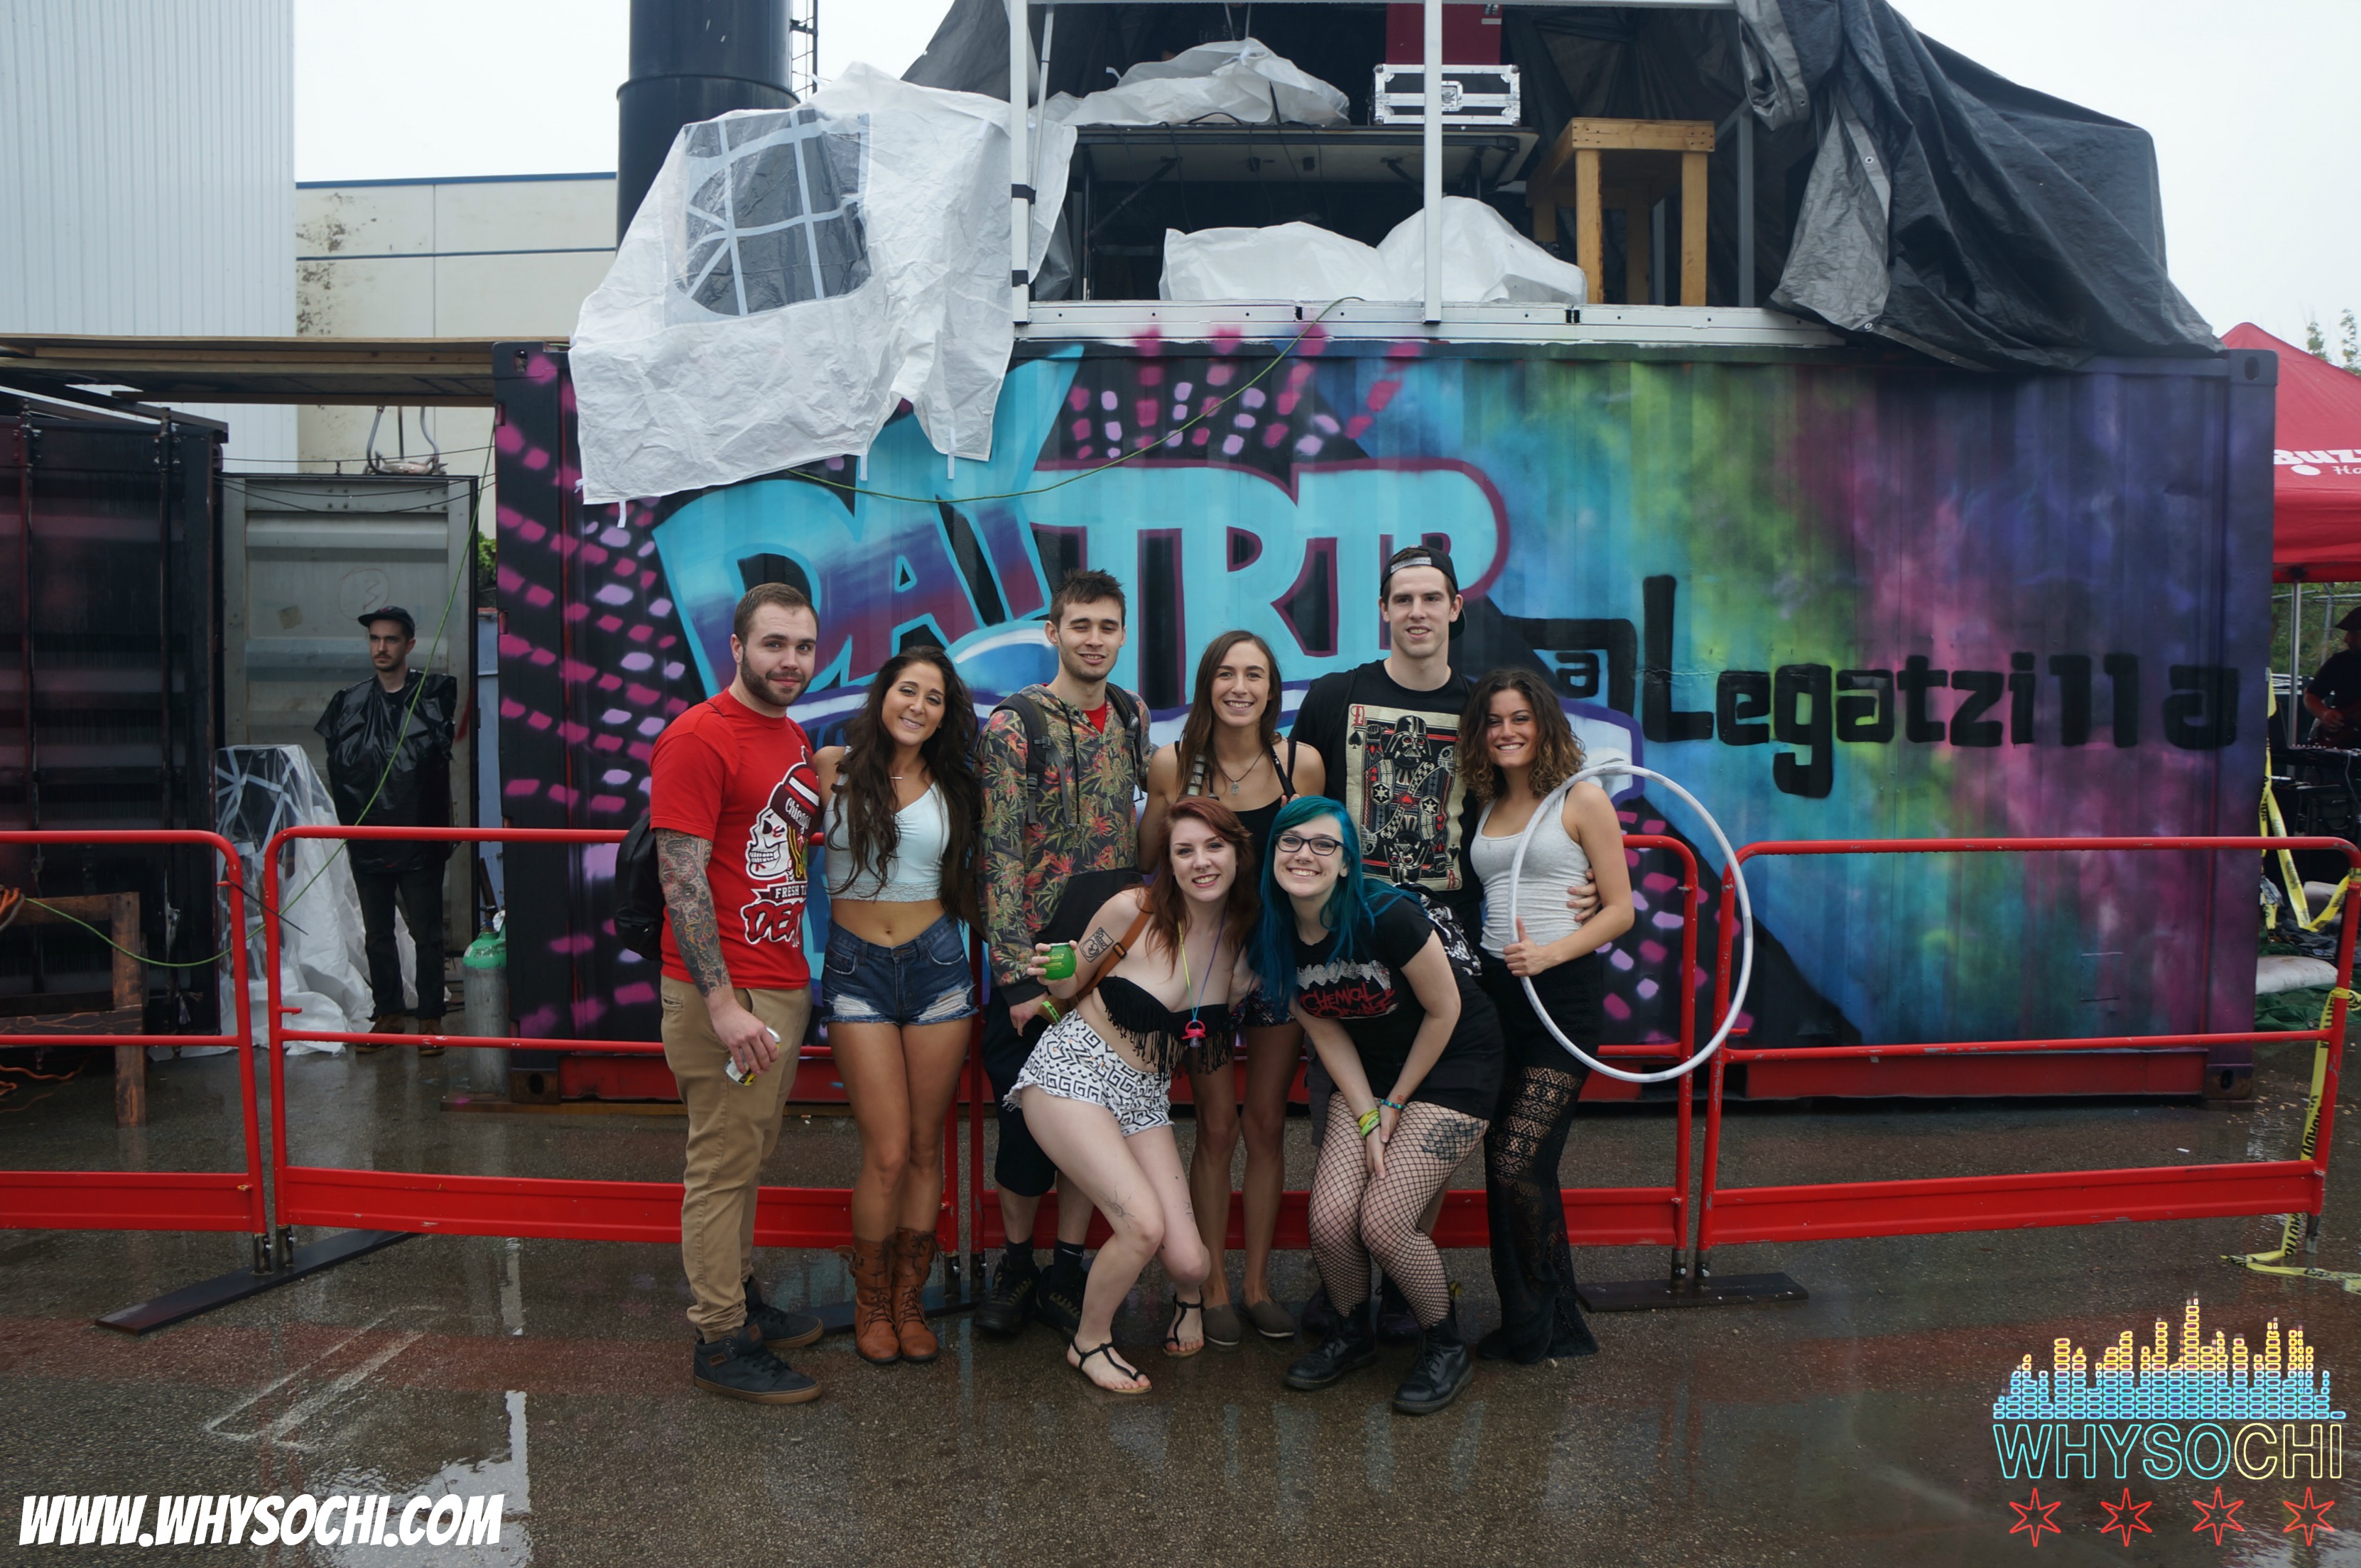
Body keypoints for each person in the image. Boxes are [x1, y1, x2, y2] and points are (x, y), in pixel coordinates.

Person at [1288, 545, 1596, 1336]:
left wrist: (1586, 880)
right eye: (1404, 599)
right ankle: (1344, 1283)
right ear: (1383, 611)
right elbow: (1299, 815)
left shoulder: (1481, 708)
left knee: (1419, 1128)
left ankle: (1402, 1287)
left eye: (1433, 598)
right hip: (1349, 954)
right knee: (1341, 1117)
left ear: (1456, 608)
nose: (1418, 612)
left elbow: (1529, 815)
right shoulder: (1335, 696)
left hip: (1445, 955)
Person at [1254, 797, 1503, 1416]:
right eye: (1291, 841)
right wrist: (1369, 1113)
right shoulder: (1272, 930)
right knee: (1330, 1219)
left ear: (1346, 864)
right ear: (1273, 853)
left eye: (1324, 844)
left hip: (1455, 1063)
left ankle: (1445, 1346)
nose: (1305, 855)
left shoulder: (1387, 914)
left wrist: (1395, 1104)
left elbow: (1446, 1010)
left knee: (1385, 1223)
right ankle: (1351, 1335)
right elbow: (1324, 1029)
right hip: (1370, 1069)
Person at [1010, 797, 1261, 1391]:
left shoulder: (1242, 943)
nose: (1201, 862)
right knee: (1142, 1227)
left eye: (1214, 847)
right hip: (1072, 1073)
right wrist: (1054, 971)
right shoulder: (1134, 909)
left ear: (1237, 854)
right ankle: (1090, 1342)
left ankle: (1188, 1300)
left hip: (1144, 1097)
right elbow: (1072, 980)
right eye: (1184, 851)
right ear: (1168, 862)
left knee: (1192, 1263)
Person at [650, 582, 828, 1404]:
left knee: (747, 1154)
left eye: (803, 646)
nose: (790, 661)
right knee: (722, 1163)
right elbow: (681, 879)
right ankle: (721, 1339)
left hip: (778, 979)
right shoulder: (699, 736)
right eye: (773, 644)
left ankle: (739, 1297)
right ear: (737, 647)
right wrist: (722, 1006)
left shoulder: (790, 733)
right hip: (727, 994)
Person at [976, 569, 1154, 1337]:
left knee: (1096, 1112)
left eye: (1108, 626)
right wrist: (1017, 979)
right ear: (1053, 632)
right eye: (1080, 625)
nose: (1094, 639)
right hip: (1039, 957)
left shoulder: (1133, 715)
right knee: (1024, 1123)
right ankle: (1017, 1263)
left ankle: (1068, 1266)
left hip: (1110, 958)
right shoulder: (1013, 725)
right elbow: (996, 857)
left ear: (1123, 635)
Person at [1140, 630, 1325, 1346]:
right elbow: (1149, 856)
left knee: (1267, 1123)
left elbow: (1317, 857)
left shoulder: (1299, 763)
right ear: (1207, 684)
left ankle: (1257, 1287)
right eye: (1226, 673)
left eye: (1254, 674)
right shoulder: (1174, 761)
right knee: (1216, 1125)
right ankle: (1210, 1285)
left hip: (1276, 960)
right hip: (1205, 965)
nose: (1240, 687)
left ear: (1272, 688)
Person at [1460, 668, 1634, 1363]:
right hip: (1496, 999)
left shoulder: (1582, 798)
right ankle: (1545, 1320)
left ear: (1545, 725)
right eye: (1494, 720)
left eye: (1520, 718)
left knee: (1516, 1159)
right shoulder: (1484, 802)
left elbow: (1620, 909)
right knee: (1512, 1163)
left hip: (1560, 1000)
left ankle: (1536, 1326)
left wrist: (1551, 954)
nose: (1507, 731)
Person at [813, 650, 982, 1367]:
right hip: (857, 971)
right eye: (907, 690)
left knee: (922, 1146)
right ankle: (871, 1301)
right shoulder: (832, 768)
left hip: (938, 967)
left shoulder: (957, 785)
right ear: (883, 695)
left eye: (933, 698)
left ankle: (911, 1301)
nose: (918, 706)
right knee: (884, 1152)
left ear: (945, 714)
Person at [315, 606, 460, 1053]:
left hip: (419, 837)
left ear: (409, 645)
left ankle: (430, 1018)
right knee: (376, 934)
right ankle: (389, 1014)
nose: (381, 647)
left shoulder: (432, 695)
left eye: (391, 639)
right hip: (368, 837)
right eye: (375, 639)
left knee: (427, 933)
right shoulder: (349, 702)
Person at [2304, 607, 2361, 746]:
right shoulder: (2340, 662)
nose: (2347, 639)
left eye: (2353, 633)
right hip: (2342, 745)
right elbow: (2311, 695)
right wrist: (2324, 714)